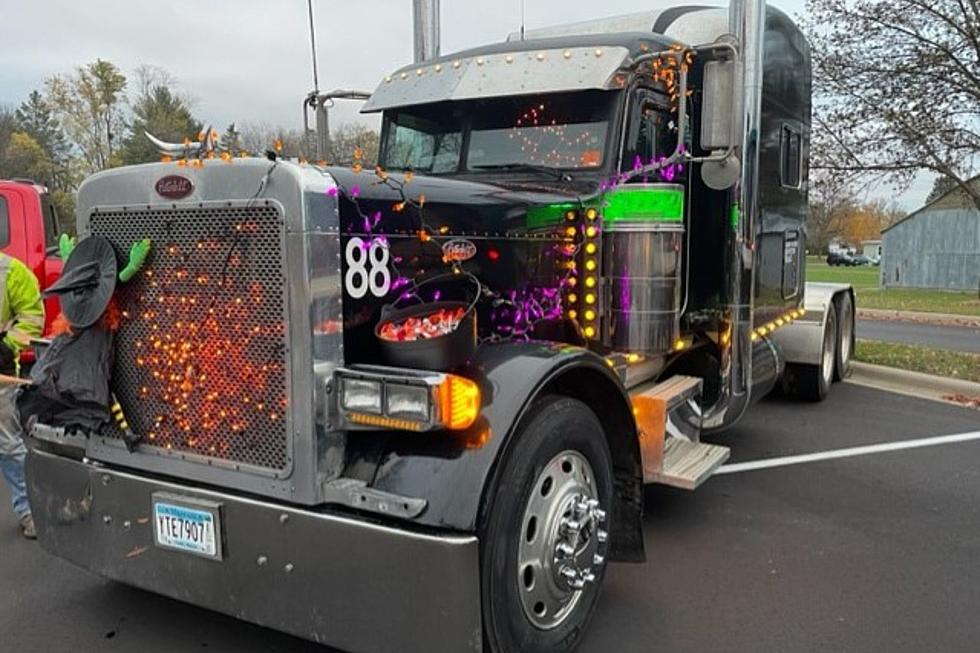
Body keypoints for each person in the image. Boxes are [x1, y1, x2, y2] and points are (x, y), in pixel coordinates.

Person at [0, 253, 44, 539]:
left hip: (0, 374)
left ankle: (30, 510)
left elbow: (32, 316)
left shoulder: (10, 271)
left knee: (7, 445)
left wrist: (5, 347)